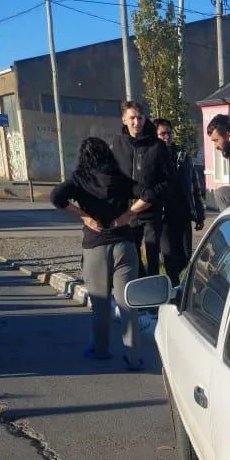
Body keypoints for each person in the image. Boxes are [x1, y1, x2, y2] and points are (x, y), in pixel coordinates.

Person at [50, 137, 152, 370]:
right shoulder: (120, 179)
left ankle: (101, 348)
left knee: (100, 303)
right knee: (128, 304)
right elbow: (149, 194)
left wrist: (83, 215)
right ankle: (134, 357)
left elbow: (56, 196)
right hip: (125, 245)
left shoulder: (79, 180)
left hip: (95, 246)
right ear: (107, 154)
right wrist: (127, 216)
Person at [111, 100, 173, 278]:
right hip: (126, 211)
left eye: (140, 118)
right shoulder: (117, 143)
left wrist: (153, 194)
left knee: (153, 252)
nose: (136, 122)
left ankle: (154, 291)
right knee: (131, 253)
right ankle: (137, 287)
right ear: (124, 119)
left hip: (150, 210)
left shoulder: (157, 146)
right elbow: (111, 174)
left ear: (145, 119)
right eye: (132, 118)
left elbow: (168, 180)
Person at [154, 118, 205, 284]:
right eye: (163, 134)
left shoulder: (183, 156)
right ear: (155, 136)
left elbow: (195, 186)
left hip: (183, 213)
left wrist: (199, 212)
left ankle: (176, 283)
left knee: (185, 257)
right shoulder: (152, 158)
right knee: (169, 255)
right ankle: (174, 290)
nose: (167, 137)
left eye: (169, 133)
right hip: (162, 216)